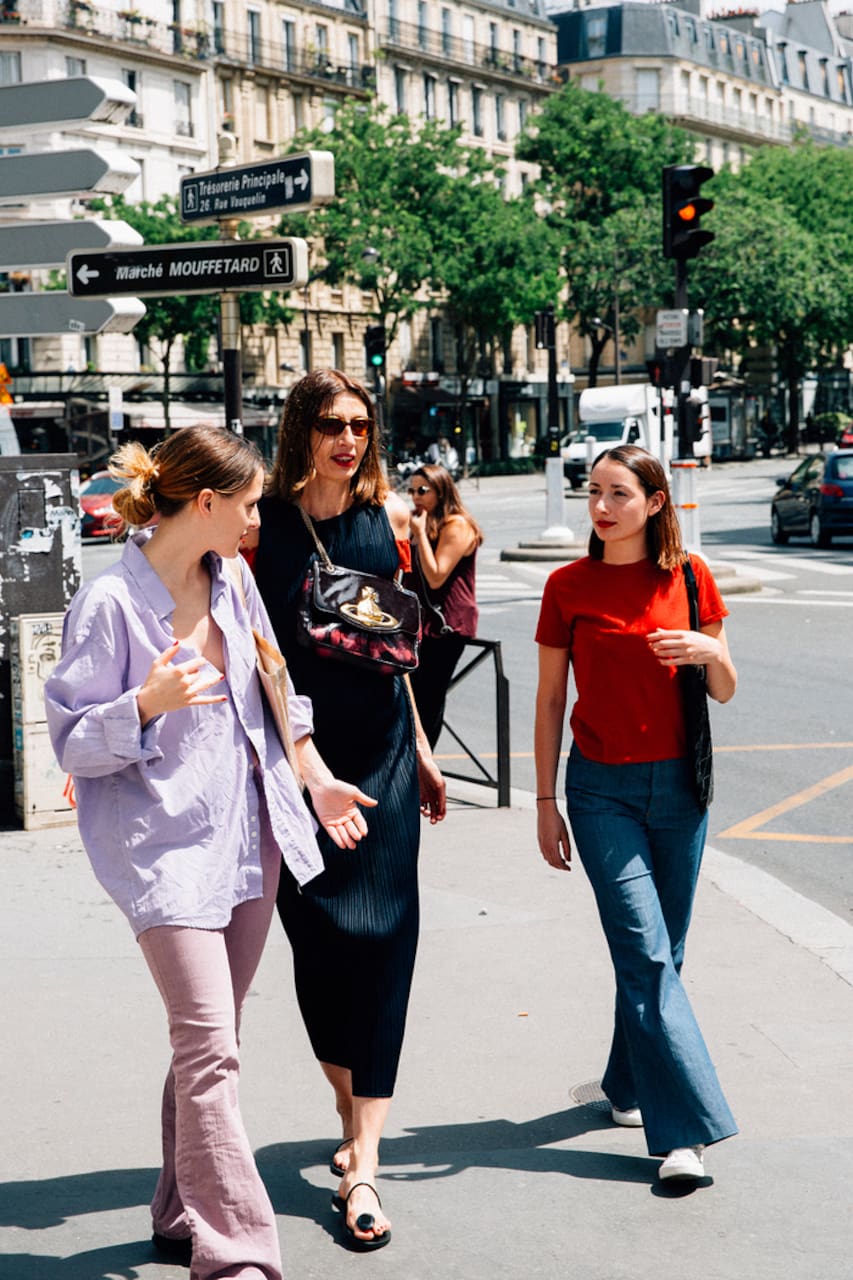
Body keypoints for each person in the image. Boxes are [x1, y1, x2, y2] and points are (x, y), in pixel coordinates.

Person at [44, 425, 376, 1280]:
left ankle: (174, 1207)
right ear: (206, 503)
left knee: (210, 1041)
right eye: (250, 503)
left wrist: (318, 778)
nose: (256, 520)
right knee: (210, 1046)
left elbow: (277, 693)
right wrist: (144, 704)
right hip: (162, 851)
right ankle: (236, 1255)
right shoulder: (110, 604)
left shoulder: (232, 581)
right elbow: (73, 744)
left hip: (247, 838)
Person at [253, 370, 446, 1251]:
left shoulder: (387, 523)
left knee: (387, 938)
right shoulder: (263, 528)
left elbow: (393, 651)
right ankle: (347, 1108)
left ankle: (363, 1161)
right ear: (301, 429)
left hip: (384, 758)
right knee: (323, 939)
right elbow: (262, 666)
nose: (349, 439)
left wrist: (426, 748)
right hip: (298, 765)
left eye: (361, 425)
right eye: (332, 423)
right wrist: (306, 767)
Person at [533, 444, 738, 1184]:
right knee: (646, 953)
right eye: (593, 492)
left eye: (617, 493)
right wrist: (545, 802)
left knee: (662, 955)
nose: (599, 507)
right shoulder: (566, 585)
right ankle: (681, 1132)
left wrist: (701, 651)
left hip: (680, 789)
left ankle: (623, 1084)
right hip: (599, 794)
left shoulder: (689, 577)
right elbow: (551, 698)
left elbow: (725, 688)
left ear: (655, 503)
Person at [405, 462, 483, 748]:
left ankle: (425, 769)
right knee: (411, 698)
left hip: (447, 625)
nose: (416, 497)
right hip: (421, 623)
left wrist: (421, 535)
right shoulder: (425, 522)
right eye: (412, 490)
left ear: (441, 490)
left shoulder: (457, 525)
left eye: (423, 490)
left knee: (429, 699)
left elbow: (436, 576)